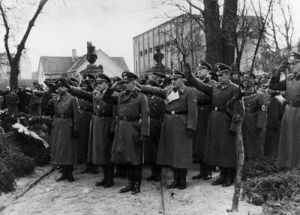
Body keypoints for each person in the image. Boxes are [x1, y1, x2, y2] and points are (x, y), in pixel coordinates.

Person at [185, 63, 244, 187]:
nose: (219, 78)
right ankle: (222, 175)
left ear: (228, 75)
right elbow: (201, 86)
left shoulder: (235, 88)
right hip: (215, 120)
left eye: (222, 75)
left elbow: (239, 108)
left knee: (227, 150)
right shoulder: (215, 87)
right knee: (217, 148)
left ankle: (230, 176)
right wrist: (190, 76)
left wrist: (234, 126)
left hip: (226, 120)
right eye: (218, 76)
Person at [141, 69, 198, 190]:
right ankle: (175, 179)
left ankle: (182, 180)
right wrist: (140, 86)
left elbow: (193, 112)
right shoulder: (169, 90)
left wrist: (191, 127)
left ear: (181, 79)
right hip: (169, 123)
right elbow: (155, 90)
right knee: (172, 153)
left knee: (181, 155)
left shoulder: (189, 91)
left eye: (175, 79)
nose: (173, 81)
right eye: (172, 79)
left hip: (182, 124)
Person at [103, 71, 150, 194]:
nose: (124, 85)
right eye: (123, 82)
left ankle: (137, 184)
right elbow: (106, 98)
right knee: (126, 157)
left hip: (133, 128)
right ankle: (130, 183)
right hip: (121, 128)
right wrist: (112, 87)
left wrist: (144, 133)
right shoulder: (120, 96)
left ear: (134, 83)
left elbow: (145, 116)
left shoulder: (141, 97)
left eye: (127, 82)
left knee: (135, 158)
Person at [65, 74, 115, 187]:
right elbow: (84, 94)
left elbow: (115, 112)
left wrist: (112, 128)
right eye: (98, 83)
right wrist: (71, 88)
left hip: (106, 123)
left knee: (107, 152)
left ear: (107, 83)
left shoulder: (112, 94)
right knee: (100, 151)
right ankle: (105, 177)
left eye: (102, 83)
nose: (99, 85)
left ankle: (110, 179)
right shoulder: (96, 93)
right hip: (97, 123)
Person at [269, 51, 300, 168]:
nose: (292, 66)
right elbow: (273, 86)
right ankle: (289, 164)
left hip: (299, 111)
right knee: (288, 138)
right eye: (291, 64)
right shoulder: (289, 78)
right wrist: (279, 70)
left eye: (296, 63)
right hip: (289, 111)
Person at [51, 78, 80, 182]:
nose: (59, 88)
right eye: (58, 86)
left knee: (67, 150)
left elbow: (76, 115)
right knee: (59, 149)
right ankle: (64, 172)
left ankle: (70, 173)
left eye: (62, 86)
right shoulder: (55, 99)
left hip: (68, 126)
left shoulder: (72, 99)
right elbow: (49, 109)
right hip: (58, 125)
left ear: (66, 87)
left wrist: (76, 128)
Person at [192, 61, 216, 181]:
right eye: (198, 69)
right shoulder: (195, 84)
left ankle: (208, 171)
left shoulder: (212, 84)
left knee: (207, 142)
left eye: (202, 69)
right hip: (198, 113)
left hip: (207, 112)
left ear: (208, 71)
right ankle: (202, 171)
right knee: (199, 143)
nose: (199, 71)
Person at [143, 72, 166, 182]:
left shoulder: (159, 100)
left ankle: (158, 173)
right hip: (148, 124)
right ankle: (153, 172)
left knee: (156, 151)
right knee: (149, 151)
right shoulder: (145, 98)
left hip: (156, 125)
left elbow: (162, 114)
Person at [241, 72, 265, 159]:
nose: (245, 80)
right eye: (244, 78)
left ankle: (253, 161)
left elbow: (262, 111)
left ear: (253, 80)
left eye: (248, 78)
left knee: (252, 142)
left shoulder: (259, 95)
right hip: (240, 120)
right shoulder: (239, 93)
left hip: (252, 121)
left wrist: (259, 125)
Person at [264, 76, 285, 157]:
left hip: (274, 128)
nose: (268, 90)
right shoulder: (281, 98)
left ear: (272, 89)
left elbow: (273, 118)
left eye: (269, 88)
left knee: (272, 150)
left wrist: (269, 130)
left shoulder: (274, 100)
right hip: (279, 125)